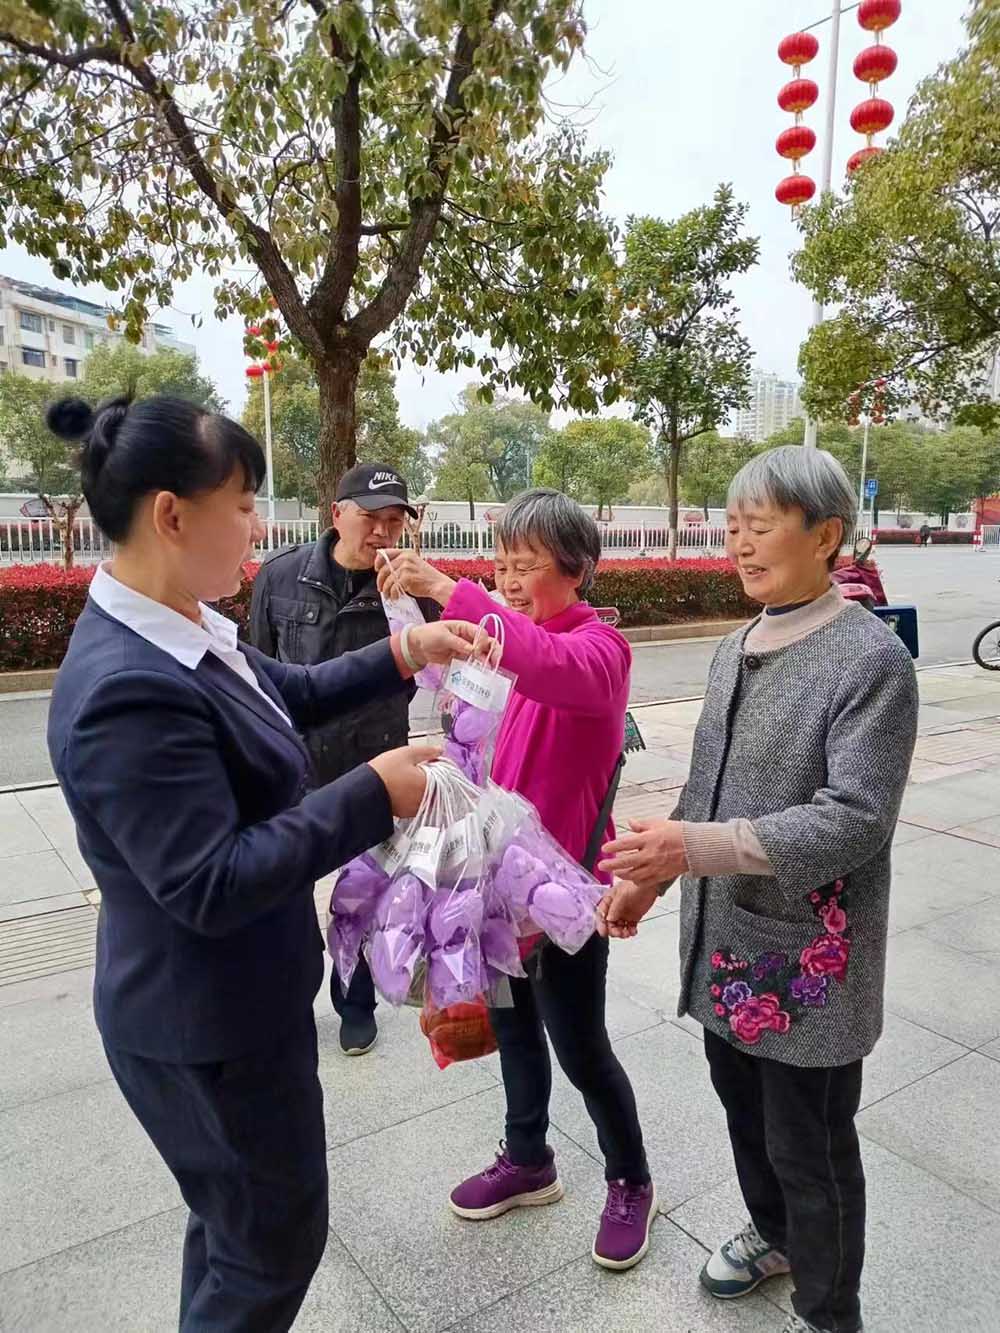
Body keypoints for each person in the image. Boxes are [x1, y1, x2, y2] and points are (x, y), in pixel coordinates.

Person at [44, 394, 482, 1333]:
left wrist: (408, 647)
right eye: (242, 502)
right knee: (270, 1245)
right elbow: (209, 881)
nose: (255, 522)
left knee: (236, 1228)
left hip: (236, 1002)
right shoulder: (128, 687)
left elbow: (286, 689)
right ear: (172, 513)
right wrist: (373, 789)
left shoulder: (184, 622)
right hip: (208, 1026)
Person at [598, 446, 919, 1333]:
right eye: (730, 525)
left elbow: (856, 819)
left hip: (809, 972)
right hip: (728, 946)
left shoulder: (870, 659)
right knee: (743, 1111)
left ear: (826, 535)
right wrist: (653, 882)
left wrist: (691, 847)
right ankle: (773, 1234)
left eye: (760, 524)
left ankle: (830, 1310)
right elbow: (703, 788)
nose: (738, 543)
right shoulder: (737, 643)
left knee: (810, 1144)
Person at [378, 488, 656, 1272]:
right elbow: (457, 724)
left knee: (581, 1046)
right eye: (499, 563)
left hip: (563, 891)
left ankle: (631, 1178)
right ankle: (528, 1156)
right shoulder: (491, 644)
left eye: (525, 565)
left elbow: (545, 661)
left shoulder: (599, 651)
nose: (506, 577)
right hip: (489, 887)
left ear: (574, 570)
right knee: (511, 1028)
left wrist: (444, 585)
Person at [250, 462, 440, 1056]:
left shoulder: (412, 589)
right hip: (297, 768)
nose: (382, 533)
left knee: (363, 895)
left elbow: (435, 675)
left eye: (394, 521)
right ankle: (287, 999)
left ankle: (353, 1002)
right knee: (285, 891)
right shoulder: (281, 578)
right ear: (337, 516)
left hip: (375, 766)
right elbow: (260, 675)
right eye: (370, 518)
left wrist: (414, 601)